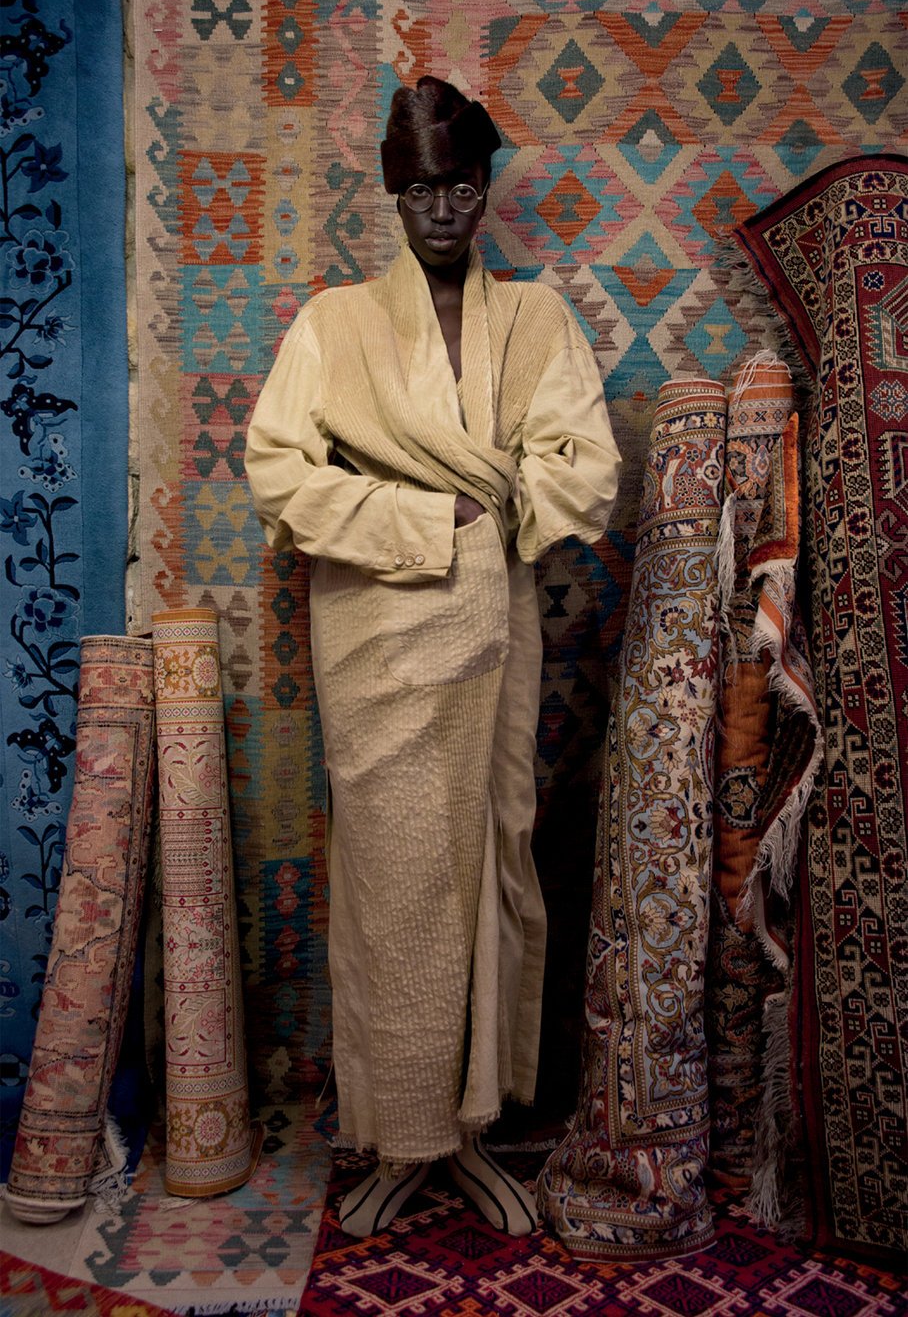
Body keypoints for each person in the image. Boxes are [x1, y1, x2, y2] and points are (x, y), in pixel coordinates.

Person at [245, 76, 621, 1237]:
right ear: (393, 195)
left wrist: (489, 520)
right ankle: (398, 1136)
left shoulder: (538, 319)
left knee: (486, 857)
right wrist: (423, 522)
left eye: (460, 185)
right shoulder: (332, 323)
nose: (442, 207)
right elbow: (278, 470)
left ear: (483, 190)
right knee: (393, 880)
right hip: (369, 637)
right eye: (420, 190)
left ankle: (467, 1130)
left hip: (490, 629)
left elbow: (586, 465)